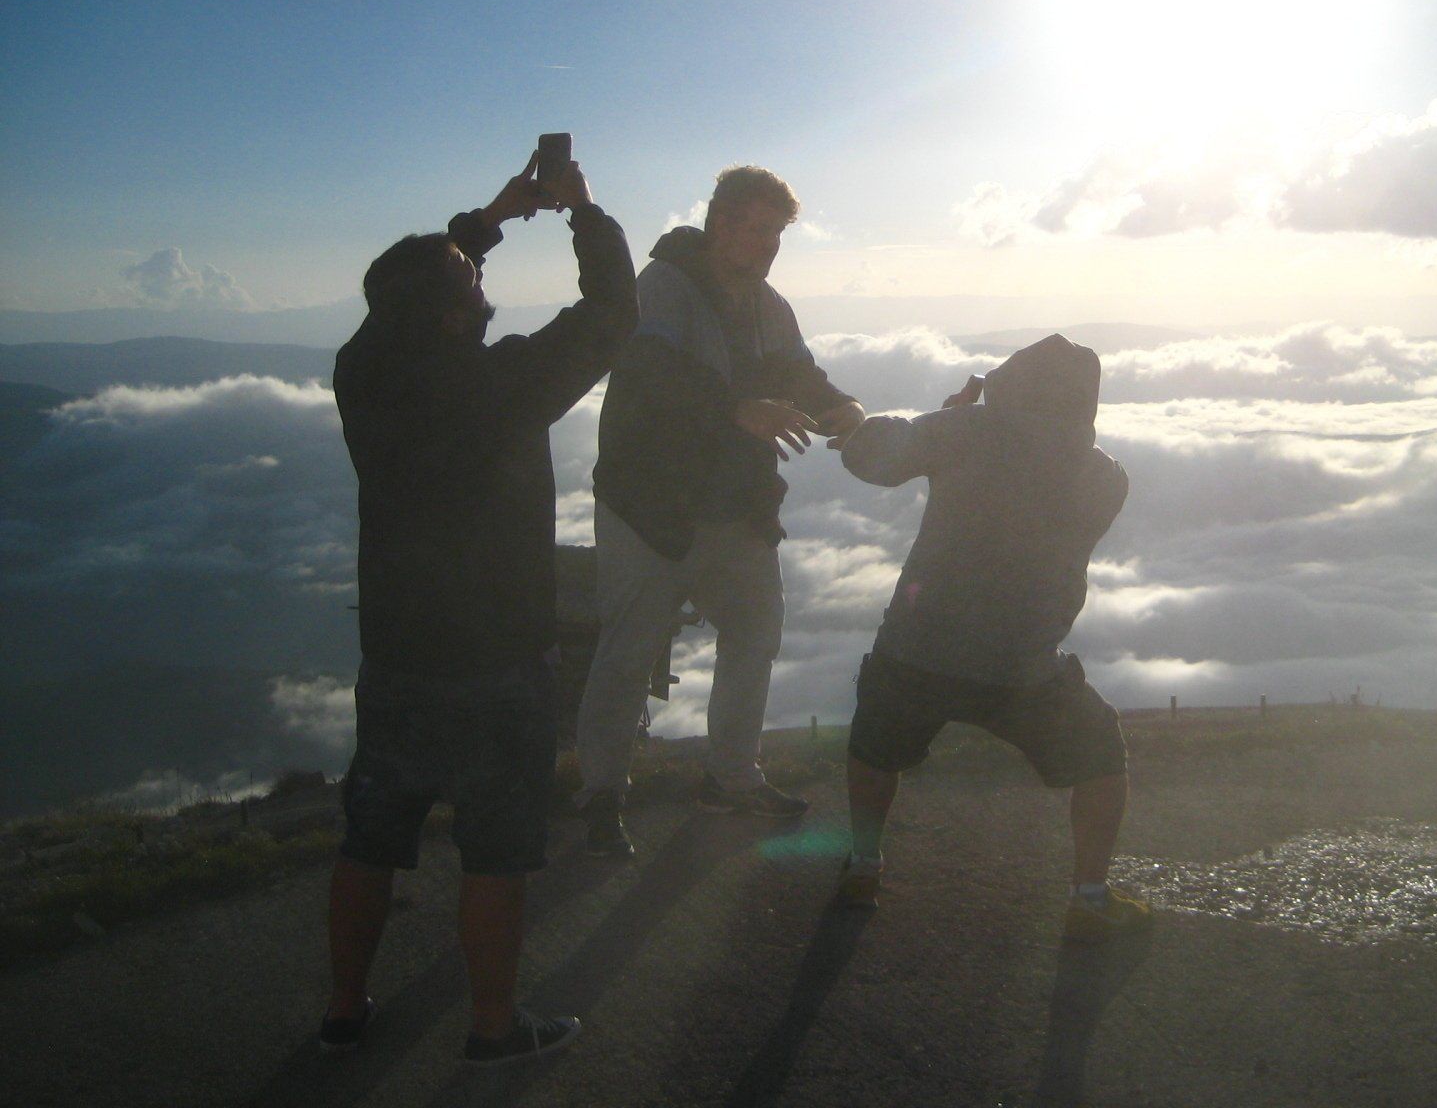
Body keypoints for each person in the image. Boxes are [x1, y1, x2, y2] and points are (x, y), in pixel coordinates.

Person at [324, 152, 635, 1065]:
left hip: (396, 652)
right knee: (499, 854)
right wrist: (582, 213)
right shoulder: (503, 387)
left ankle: (345, 1011)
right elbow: (612, 315)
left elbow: (414, 293)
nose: (475, 276)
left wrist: (490, 221)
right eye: (469, 276)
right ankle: (493, 1029)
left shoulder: (363, 367)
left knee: (370, 837)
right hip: (498, 658)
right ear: (461, 312)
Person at [578, 165, 864, 855]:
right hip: (652, 507)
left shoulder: (771, 305)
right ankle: (600, 796)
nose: (767, 245)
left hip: (736, 508)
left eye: (776, 233)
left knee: (755, 636)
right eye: (756, 228)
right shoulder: (663, 287)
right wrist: (739, 408)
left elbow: (799, 372)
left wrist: (838, 407)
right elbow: (650, 372)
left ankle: (730, 777)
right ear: (719, 222)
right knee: (628, 654)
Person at [834, 334, 1152, 941]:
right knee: (1101, 753)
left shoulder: (964, 434)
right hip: (1023, 665)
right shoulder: (1107, 478)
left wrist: (949, 420)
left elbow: (867, 457)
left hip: (916, 648)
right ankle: (1089, 897)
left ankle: (864, 866)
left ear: (1008, 385)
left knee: (875, 745)